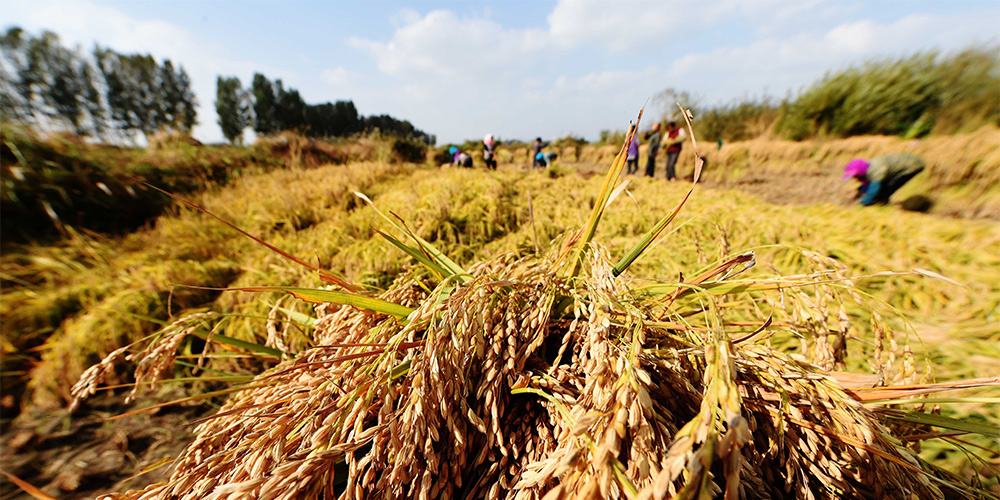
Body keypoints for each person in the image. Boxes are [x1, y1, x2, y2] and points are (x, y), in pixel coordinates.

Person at [843, 153, 925, 206]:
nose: (854, 178)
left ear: (860, 172)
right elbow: (867, 183)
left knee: (887, 188)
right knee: (882, 188)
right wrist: (859, 192)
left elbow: (873, 190)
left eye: (855, 176)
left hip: (912, 165)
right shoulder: (867, 169)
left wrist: (862, 203)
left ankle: (883, 202)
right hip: (902, 165)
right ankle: (882, 201)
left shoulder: (876, 169)